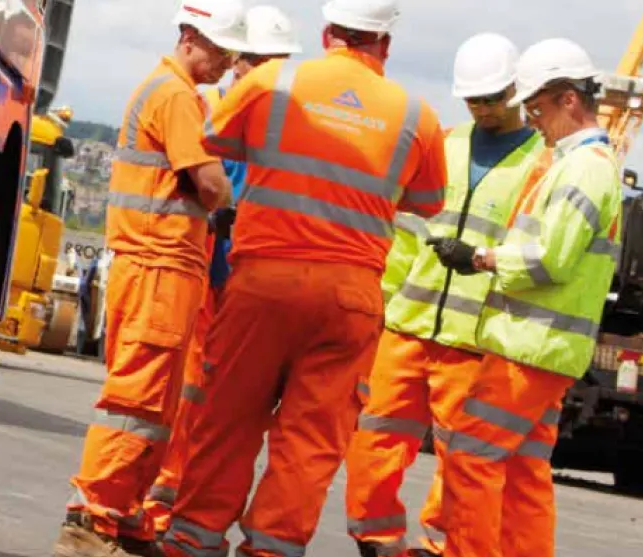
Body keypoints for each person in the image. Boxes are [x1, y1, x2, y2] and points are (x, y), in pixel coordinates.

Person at [160, 0, 449, 554]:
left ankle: (192, 541)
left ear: (326, 33)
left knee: (228, 415)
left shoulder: (274, 80)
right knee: (311, 438)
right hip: (350, 295)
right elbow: (429, 200)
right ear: (385, 44)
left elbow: (215, 136)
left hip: (263, 280)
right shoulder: (416, 114)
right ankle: (271, 547)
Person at [344, 32, 551, 557]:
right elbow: (405, 234)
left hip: (473, 337)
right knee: (377, 433)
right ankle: (375, 536)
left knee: (463, 457)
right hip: (407, 322)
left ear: (518, 92)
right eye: (473, 99)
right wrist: (381, 306)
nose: (482, 109)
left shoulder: (540, 164)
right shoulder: (445, 144)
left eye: (493, 98)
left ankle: (439, 545)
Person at [52, 2, 247, 556]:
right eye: (220, 48)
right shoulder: (175, 95)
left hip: (165, 264)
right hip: (158, 262)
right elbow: (210, 185)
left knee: (157, 401)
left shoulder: (166, 90)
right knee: (136, 394)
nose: (227, 60)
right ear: (189, 37)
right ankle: (92, 512)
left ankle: (123, 508)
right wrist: (228, 200)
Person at [427, 37, 623, 557]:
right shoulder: (585, 163)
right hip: (544, 349)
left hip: (528, 348)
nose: (532, 120)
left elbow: (548, 259)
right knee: (522, 471)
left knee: (470, 456)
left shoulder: (583, 167)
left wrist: (480, 258)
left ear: (569, 100)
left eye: (537, 108)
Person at [141, 4, 303, 538]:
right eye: (256, 61)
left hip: (245, 278)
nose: (263, 73)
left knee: (216, 399)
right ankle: (168, 500)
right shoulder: (207, 105)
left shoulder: (280, 118)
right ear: (239, 60)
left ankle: (184, 507)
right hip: (208, 270)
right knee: (190, 391)